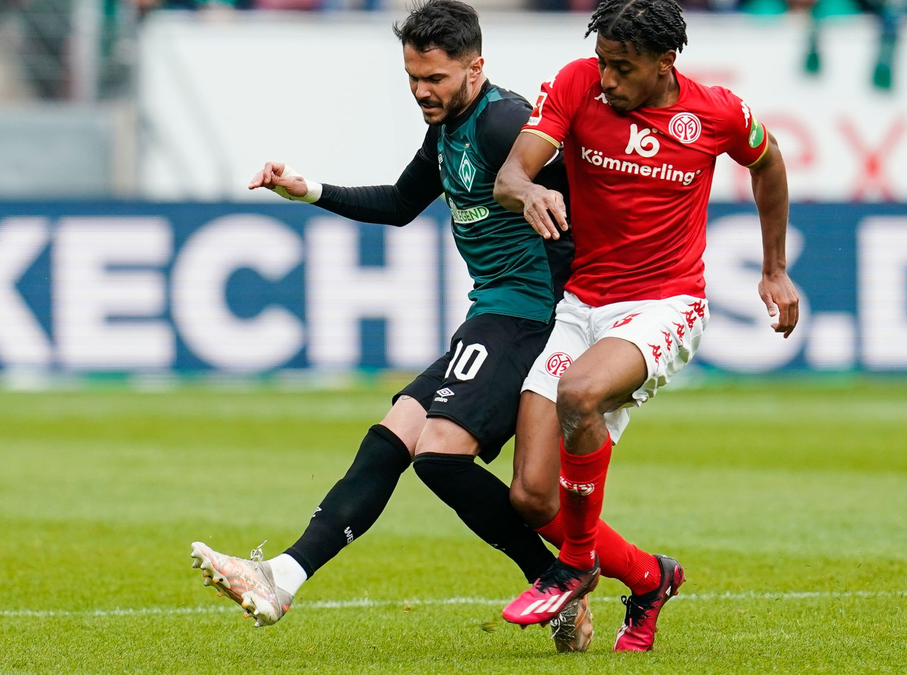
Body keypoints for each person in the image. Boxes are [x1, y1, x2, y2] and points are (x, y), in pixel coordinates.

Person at [191, 0, 656, 653]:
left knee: (439, 452)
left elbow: (584, 188)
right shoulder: (448, 132)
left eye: (435, 78)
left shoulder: (503, 122)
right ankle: (283, 577)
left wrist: (573, 291)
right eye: (413, 77)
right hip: (493, 314)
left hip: (528, 316)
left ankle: (555, 578)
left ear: (475, 68)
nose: (421, 91)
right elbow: (403, 203)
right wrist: (308, 189)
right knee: (394, 439)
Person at [496, 0, 799, 652]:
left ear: (666, 64)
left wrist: (774, 268)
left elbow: (769, 162)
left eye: (623, 68)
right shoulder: (577, 83)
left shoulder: (715, 112)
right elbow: (513, 172)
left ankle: (577, 563)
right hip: (582, 304)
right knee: (530, 494)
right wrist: (530, 191)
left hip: (666, 303)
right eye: (604, 62)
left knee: (580, 393)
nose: (607, 79)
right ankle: (650, 577)